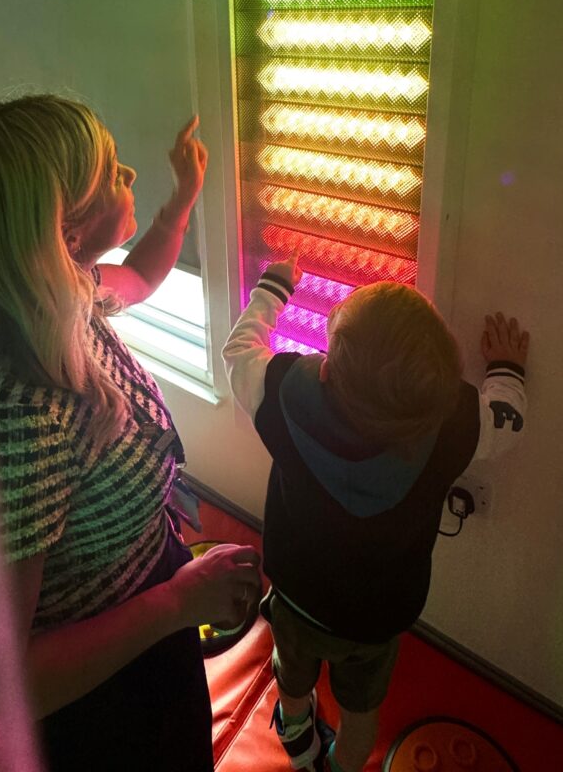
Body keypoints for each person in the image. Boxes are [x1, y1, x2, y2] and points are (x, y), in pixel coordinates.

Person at [0, 93, 262, 772]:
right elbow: (12, 681)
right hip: (106, 701)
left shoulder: (54, 295)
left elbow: (141, 275)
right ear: (67, 231)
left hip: (147, 598)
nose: (130, 176)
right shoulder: (27, 414)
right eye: (113, 172)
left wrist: (181, 202)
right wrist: (179, 601)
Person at [222, 253, 529, 772]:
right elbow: (506, 421)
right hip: (376, 619)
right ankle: (343, 765)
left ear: (325, 368)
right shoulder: (449, 426)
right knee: (362, 710)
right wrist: (506, 370)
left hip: (297, 598)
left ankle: (300, 748)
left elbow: (238, 353)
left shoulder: (286, 396)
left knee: (291, 678)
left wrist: (273, 288)